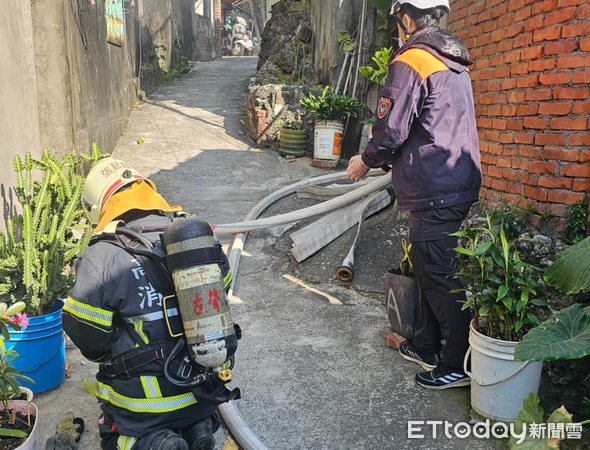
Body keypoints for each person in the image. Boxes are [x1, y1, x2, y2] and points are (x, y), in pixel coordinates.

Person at [347, 0, 481, 390]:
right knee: (426, 267)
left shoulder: (415, 59)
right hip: (452, 180)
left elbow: (391, 129)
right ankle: (426, 345)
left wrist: (365, 161)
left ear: (406, 17)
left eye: (398, 21)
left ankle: (456, 364)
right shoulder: (453, 61)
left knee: (439, 276)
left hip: (434, 187)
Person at [63, 158, 236, 450]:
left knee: (115, 435)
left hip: (146, 404)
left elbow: (91, 343)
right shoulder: (195, 241)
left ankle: (157, 442)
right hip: (205, 386)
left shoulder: (102, 256)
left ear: (98, 205)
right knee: (193, 411)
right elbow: (223, 288)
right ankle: (199, 427)